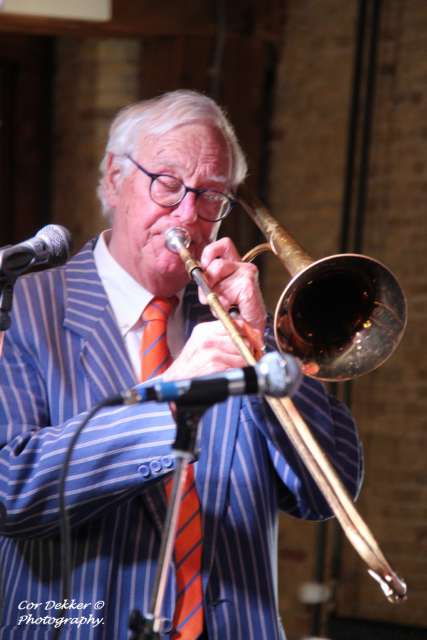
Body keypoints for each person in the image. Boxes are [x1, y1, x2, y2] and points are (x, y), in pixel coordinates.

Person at [0, 90, 363, 639]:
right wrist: (165, 402)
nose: (188, 216)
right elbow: (12, 489)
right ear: (114, 178)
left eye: (212, 195)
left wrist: (268, 345)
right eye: (168, 184)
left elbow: (328, 491)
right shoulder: (24, 307)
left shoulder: (239, 326)